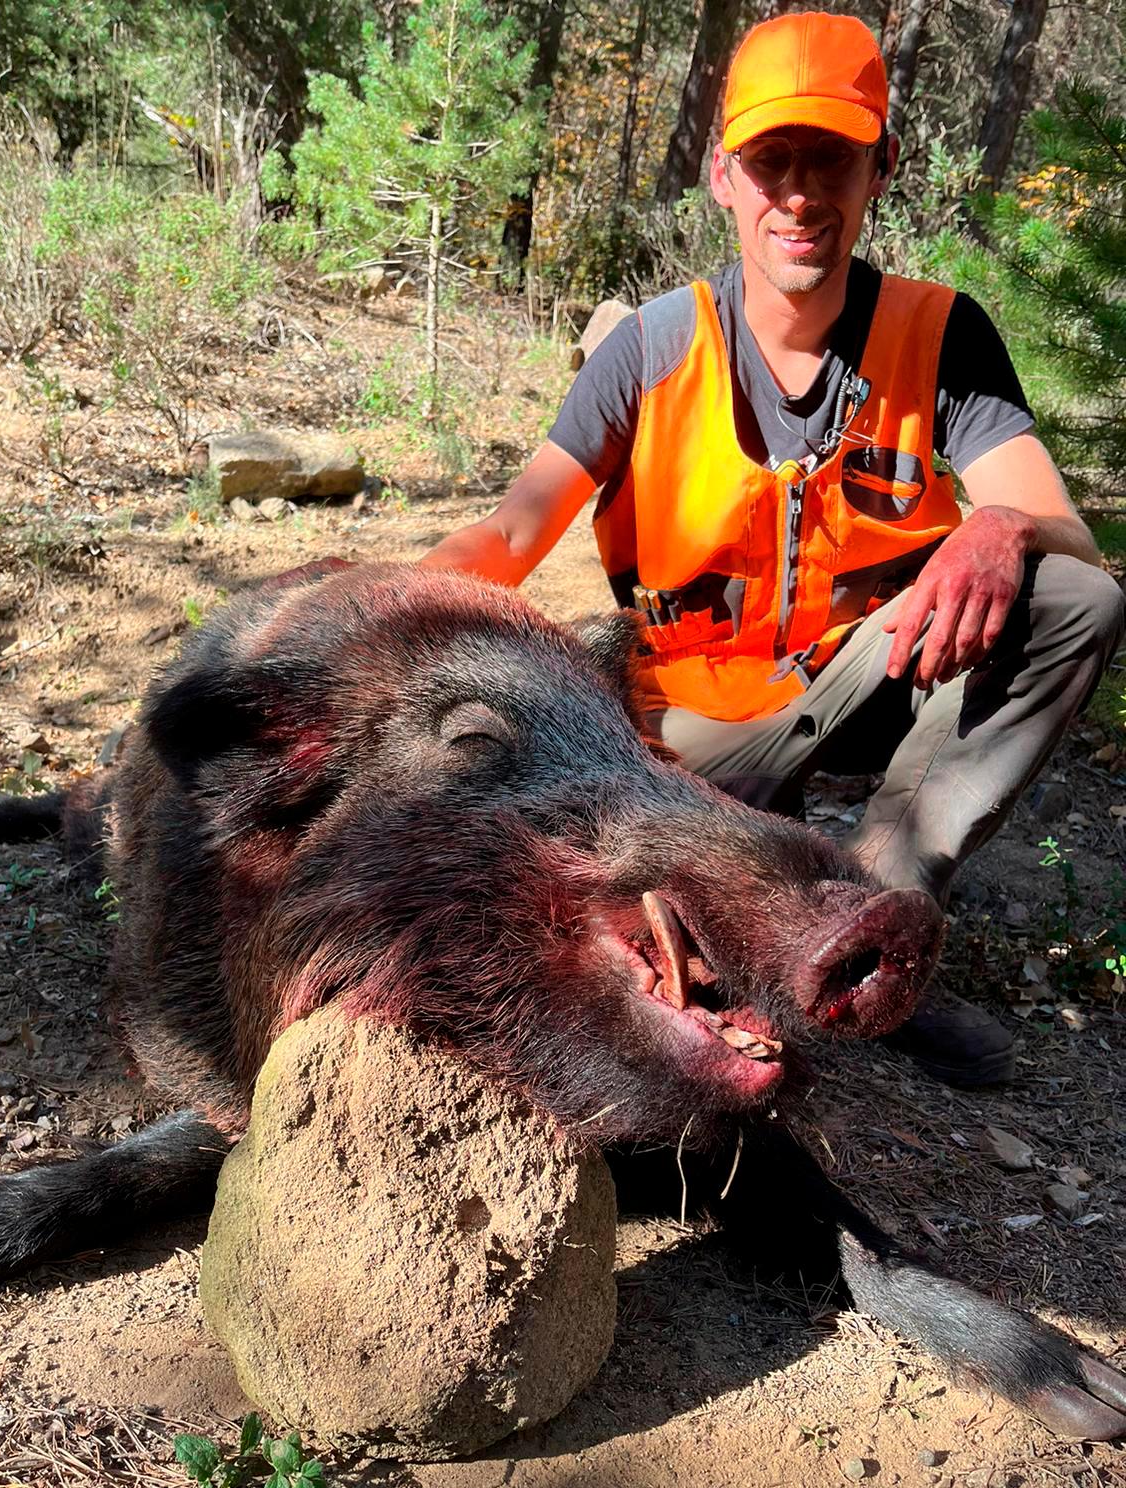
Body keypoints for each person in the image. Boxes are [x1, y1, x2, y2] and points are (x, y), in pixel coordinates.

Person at [421, 10, 1125, 1087]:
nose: (800, 193)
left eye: (832, 158)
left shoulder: (941, 334)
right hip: (679, 737)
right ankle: (764, 924)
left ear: (879, 169)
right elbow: (514, 531)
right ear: (724, 178)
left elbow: (1065, 535)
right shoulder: (650, 350)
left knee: (1072, 593)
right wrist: (373, 603)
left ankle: (885, 888)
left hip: (860, 677)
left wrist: (1001, 523)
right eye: (772, 159)